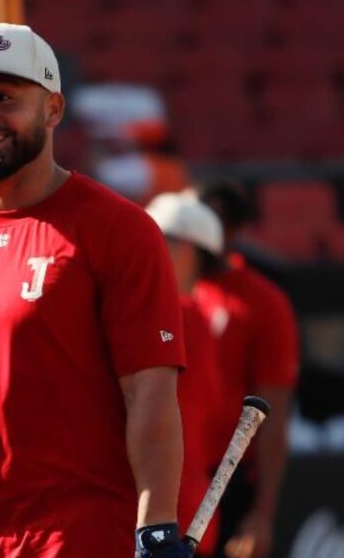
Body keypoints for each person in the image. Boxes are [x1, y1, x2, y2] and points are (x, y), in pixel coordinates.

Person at [0, 22, 191, 558]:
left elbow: (150, 392)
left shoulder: (117, 228)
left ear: (53, 109)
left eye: (4, 97)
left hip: (83, 538)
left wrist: (156, 528)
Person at [194, 182, 299, 558]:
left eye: (216, 224)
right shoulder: (167, 289)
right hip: (169, 472)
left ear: (234, 231)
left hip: (227, 479)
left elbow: (274, 409)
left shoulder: (263, 303)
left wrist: (262, 514)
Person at [146, 193, 229, 558]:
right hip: (182, 511)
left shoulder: (180, 315)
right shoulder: (197, 317)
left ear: (188, 251)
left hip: (162, 515)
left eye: (161, 239)